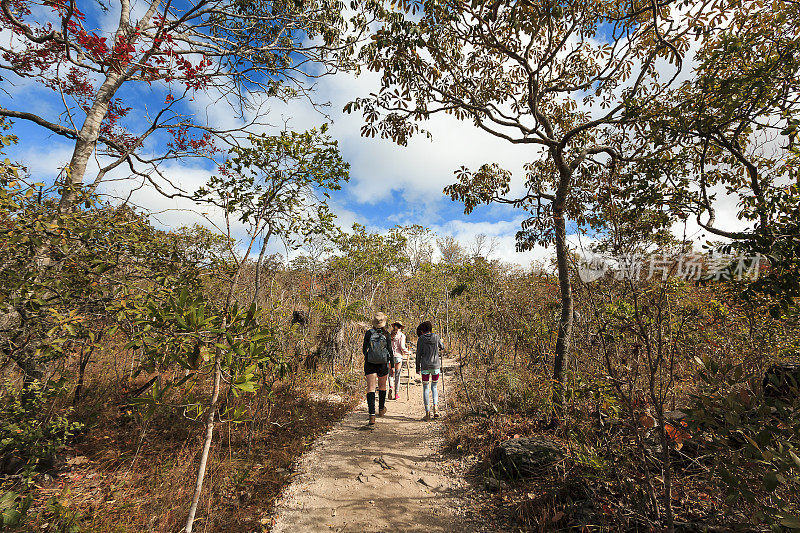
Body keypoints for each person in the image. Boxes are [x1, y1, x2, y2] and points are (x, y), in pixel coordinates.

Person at [363, 312, 394, 425]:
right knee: (382, 386)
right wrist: (393, 366)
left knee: (370, 387)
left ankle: (371, 415)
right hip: (382, 363)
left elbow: (364, 349)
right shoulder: (386, 334)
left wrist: (368, 357)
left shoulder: (368, 333)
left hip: (370, 363)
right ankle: (381, 410)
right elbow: (390, 351)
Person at [415, 320, 445, 421]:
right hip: (436, 366)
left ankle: (427, 412)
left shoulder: (421, 339)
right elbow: (442, 347)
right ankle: (435, 408)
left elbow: (418, 354)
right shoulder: (436, 337)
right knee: (434, 387)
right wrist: (442, 341)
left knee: (426, 388)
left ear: (423, 330)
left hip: (425, 367)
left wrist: (417, 367)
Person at [389, 321, 410, 400]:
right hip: (398, 357)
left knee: (390, 374)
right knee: (397, 375)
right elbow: (402, 347)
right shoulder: (402, 335)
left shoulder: (389, 335)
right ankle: (396, 394)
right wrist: (408, 352)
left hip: (390, 356)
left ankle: (391, 386)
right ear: (401, 327)